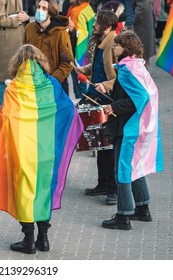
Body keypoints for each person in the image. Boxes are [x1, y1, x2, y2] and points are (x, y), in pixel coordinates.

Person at [0, 44, 84, 253]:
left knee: (25, 192)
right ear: (40, 62)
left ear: (18, 63)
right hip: (47, 151)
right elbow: (68, 109)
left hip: (22, 151)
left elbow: (5, 118)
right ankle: (44, 239)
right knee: (43, 192)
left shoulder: (13, 88)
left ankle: (28, 241)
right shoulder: (51, 85)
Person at [102, 30, 163, 229]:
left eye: (117, 45)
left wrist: (115, 107)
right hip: (138, 125)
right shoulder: (136, 65)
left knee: (122, 168)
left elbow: (141, 97)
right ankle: (143, 209)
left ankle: (123, 216)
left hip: (128, 126)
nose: (114, 47)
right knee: (134, 166)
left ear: (126, 47)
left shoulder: (127, 69)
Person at [75, 10, 118, 205]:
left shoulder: (114, 44)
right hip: (96, 97)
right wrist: (85, 70)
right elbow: (98, 65)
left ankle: (113, 189)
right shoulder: (101, 41)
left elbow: (119, 76)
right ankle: (102, 183)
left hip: (108, 99)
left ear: (107, 26)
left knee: (108, 145)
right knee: (99, 142)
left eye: (97, 23)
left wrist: (106, 86)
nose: (94, 25)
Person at [25, 0, 73, 95]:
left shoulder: (60, 33)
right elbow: (24, 55)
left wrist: (52, 81)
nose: (39, 10)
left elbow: (67, 63)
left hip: (55, 85)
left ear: (50, 13)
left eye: (44, 8)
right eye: (38, 7)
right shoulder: (29, 28)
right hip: (34, 84)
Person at [0, 0, 29, 115]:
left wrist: (25, 18)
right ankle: (0, 113)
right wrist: (17, 19)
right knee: (4, 78)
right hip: (7, 41)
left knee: (18, 75)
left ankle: (14, 111)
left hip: (19, 37)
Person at [67, 0, 95, 99]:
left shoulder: (81, 10)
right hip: (75, 50)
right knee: (77, 86)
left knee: (80, 86)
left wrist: (73, 30)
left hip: (79, 52)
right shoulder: (74, 8)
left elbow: (89, 33)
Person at [133, 0, 156, 67]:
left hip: (141, 26)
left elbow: (142, 6)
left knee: (141, 59)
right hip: (142, 25)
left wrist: (131, 19)